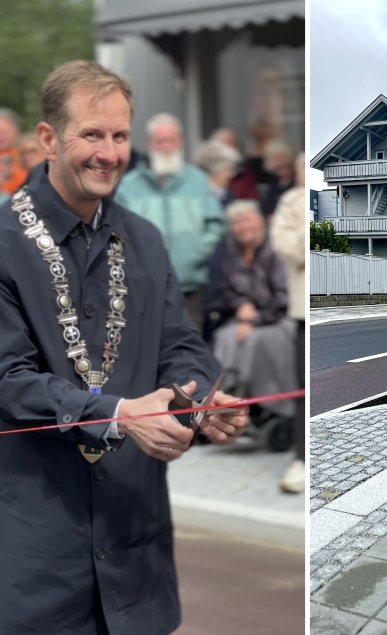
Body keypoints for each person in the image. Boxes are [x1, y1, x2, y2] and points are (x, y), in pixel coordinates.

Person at [0, 60, 248, 635]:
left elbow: (180, 345)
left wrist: (201, 401)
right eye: (91, 134)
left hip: (135, 544)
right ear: (48, 138)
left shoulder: (144, 238)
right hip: (40, 552)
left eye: (119, 135)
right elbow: (5, 381)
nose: (109, 153)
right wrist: (116, 413)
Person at [115, 113, 224, 334]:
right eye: (160, 141)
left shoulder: (198, 180)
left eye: (171, 140)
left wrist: (197, 253)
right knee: (148, 349)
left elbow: (215, 223)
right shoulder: (129, 184)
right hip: (143, 286)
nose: (166, 146)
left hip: (190, 285)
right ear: (149, 144)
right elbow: (116, 230)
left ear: (181, 141)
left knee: (190, 347)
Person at [210, 200, 296, 423]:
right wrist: (239, 304)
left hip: (280, 317)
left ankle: (262, 402)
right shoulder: (234, 252)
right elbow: (225, 288)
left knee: (255, 340)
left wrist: (255, 322)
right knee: (225, 336)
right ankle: (221, 397)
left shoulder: (276, 248)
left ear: (260, 221)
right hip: (250, 315)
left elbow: (284, 298)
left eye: (246, 220)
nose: (242, 226)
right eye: (236, 223)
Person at [271, 153, 306, 493]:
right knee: (302, 390)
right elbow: (288, 249)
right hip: (301, 311)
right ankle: (302, 457)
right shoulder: (291, 203)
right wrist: (303, 233)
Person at [211, 127, 261, 201]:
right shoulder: (205, 171)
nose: (232, 147)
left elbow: (252, 200)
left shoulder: (246, 171)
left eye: (235, 143)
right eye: (227, 143)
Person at [192, 138, 242, 208]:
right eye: (227, 169)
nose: (232, 174)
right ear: (212, 170)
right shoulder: (195, 195)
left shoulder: (228, 194)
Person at [260, 137, 295, 219]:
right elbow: (267, 210)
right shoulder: (273, 184)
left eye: (283, 157)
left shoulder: (299, 181)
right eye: (275, 159)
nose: (281, 163)